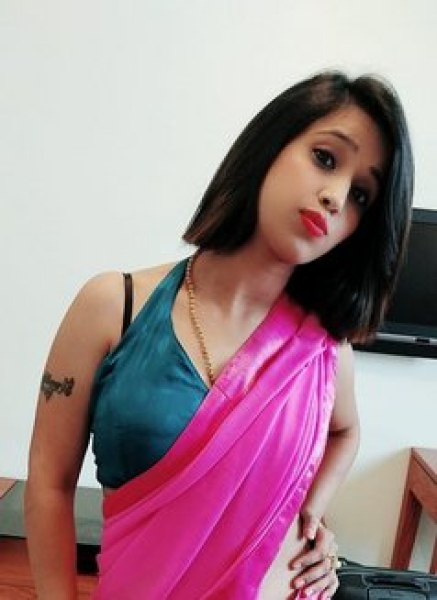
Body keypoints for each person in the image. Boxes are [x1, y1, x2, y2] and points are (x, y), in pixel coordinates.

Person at [25, 70, 414, 600]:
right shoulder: (114, 307)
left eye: (361, 196)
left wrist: (309, 515)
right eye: (326, 158)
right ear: (270, 145)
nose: (335, 196)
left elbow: (346, 432)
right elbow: (49, 480)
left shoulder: (323, 347)